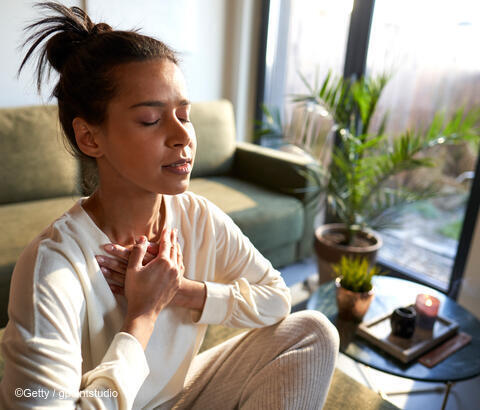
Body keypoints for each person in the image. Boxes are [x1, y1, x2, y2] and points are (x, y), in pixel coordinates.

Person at [0, 2, 339, 409]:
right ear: (90, 138)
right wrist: (141, 318)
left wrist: (182, 291)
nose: (182, 136)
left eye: (184, 114)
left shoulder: (197, 217)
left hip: (179, 398)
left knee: (313, 331)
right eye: (150, 119)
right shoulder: (54, 267)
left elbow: (276, 299)